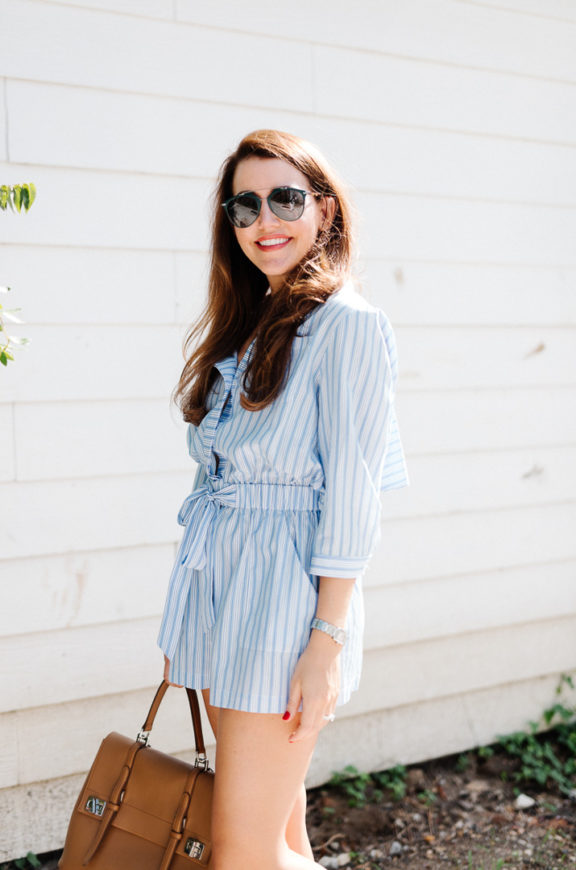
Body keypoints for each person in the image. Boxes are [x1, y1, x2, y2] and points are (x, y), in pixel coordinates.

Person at [156, 129, 410, 870]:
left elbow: (355, 495)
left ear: (325, 212)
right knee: (282, 837)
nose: (264, 219)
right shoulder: (250, 326)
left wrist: (324, 646)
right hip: (224, 592)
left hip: (287, 605)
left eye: (285, 198)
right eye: (244, 205)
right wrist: (192, 611)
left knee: (243, 852)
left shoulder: (348, 327)